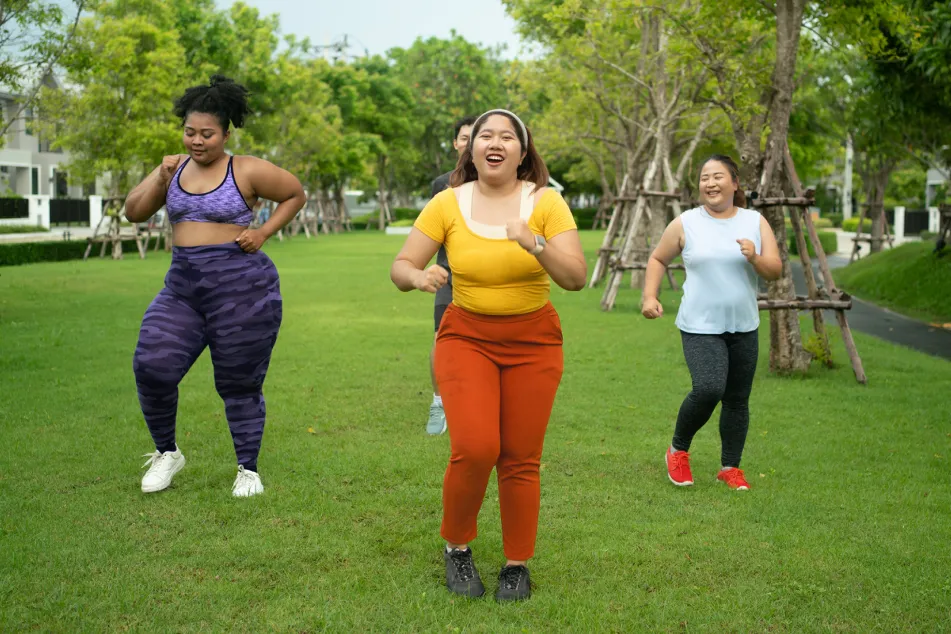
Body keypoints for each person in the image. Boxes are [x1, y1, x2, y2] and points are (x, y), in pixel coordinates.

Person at [390, 109, 587, 601]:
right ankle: (457, 549)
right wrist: (418, 277)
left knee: (521, 457)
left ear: (523, 152)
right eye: (485, 136)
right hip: (466, 338)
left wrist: (536, 244)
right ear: (470, 149)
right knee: (476, 447)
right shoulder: (446, 203)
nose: (495, 143)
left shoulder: (546, 202)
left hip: (534, 341)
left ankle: (516, 565)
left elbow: (575, 277)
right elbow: (401, 265)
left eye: (507, 136)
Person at [124, 75, 306, 497]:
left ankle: (248, 469)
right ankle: (167, 453)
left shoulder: (246, 169)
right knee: (152, 365)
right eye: (190, 132)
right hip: (183, 288)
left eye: (207, 133)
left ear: (226, 132)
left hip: (242, 289)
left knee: (238, 381)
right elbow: (134, 212)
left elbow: (295, 193)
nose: (197, 141)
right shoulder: (173, 168)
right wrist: (161, 176)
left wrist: (262, 233)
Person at [641, 154, 781, 491]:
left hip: (744, 325)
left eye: (718, 176)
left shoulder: (754, 221)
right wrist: (650, 296)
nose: (710, 183)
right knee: (708, 388)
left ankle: (730, 467)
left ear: (735, 183)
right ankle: (677, 450)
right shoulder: (686, 222)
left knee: (737, 398)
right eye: (705, 177)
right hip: (700, 325)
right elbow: (658, 258)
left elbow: (774, 271)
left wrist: (755, 257)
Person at [425, 115, 476, 436]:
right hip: (449, 276)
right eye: (464, 138)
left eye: (476, 137)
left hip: (488, 280)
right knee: (441, 340)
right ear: (456, 143)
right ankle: (438, 402)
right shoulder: (441, 184)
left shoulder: (501, 182)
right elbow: (430, 232)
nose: (469, 143)